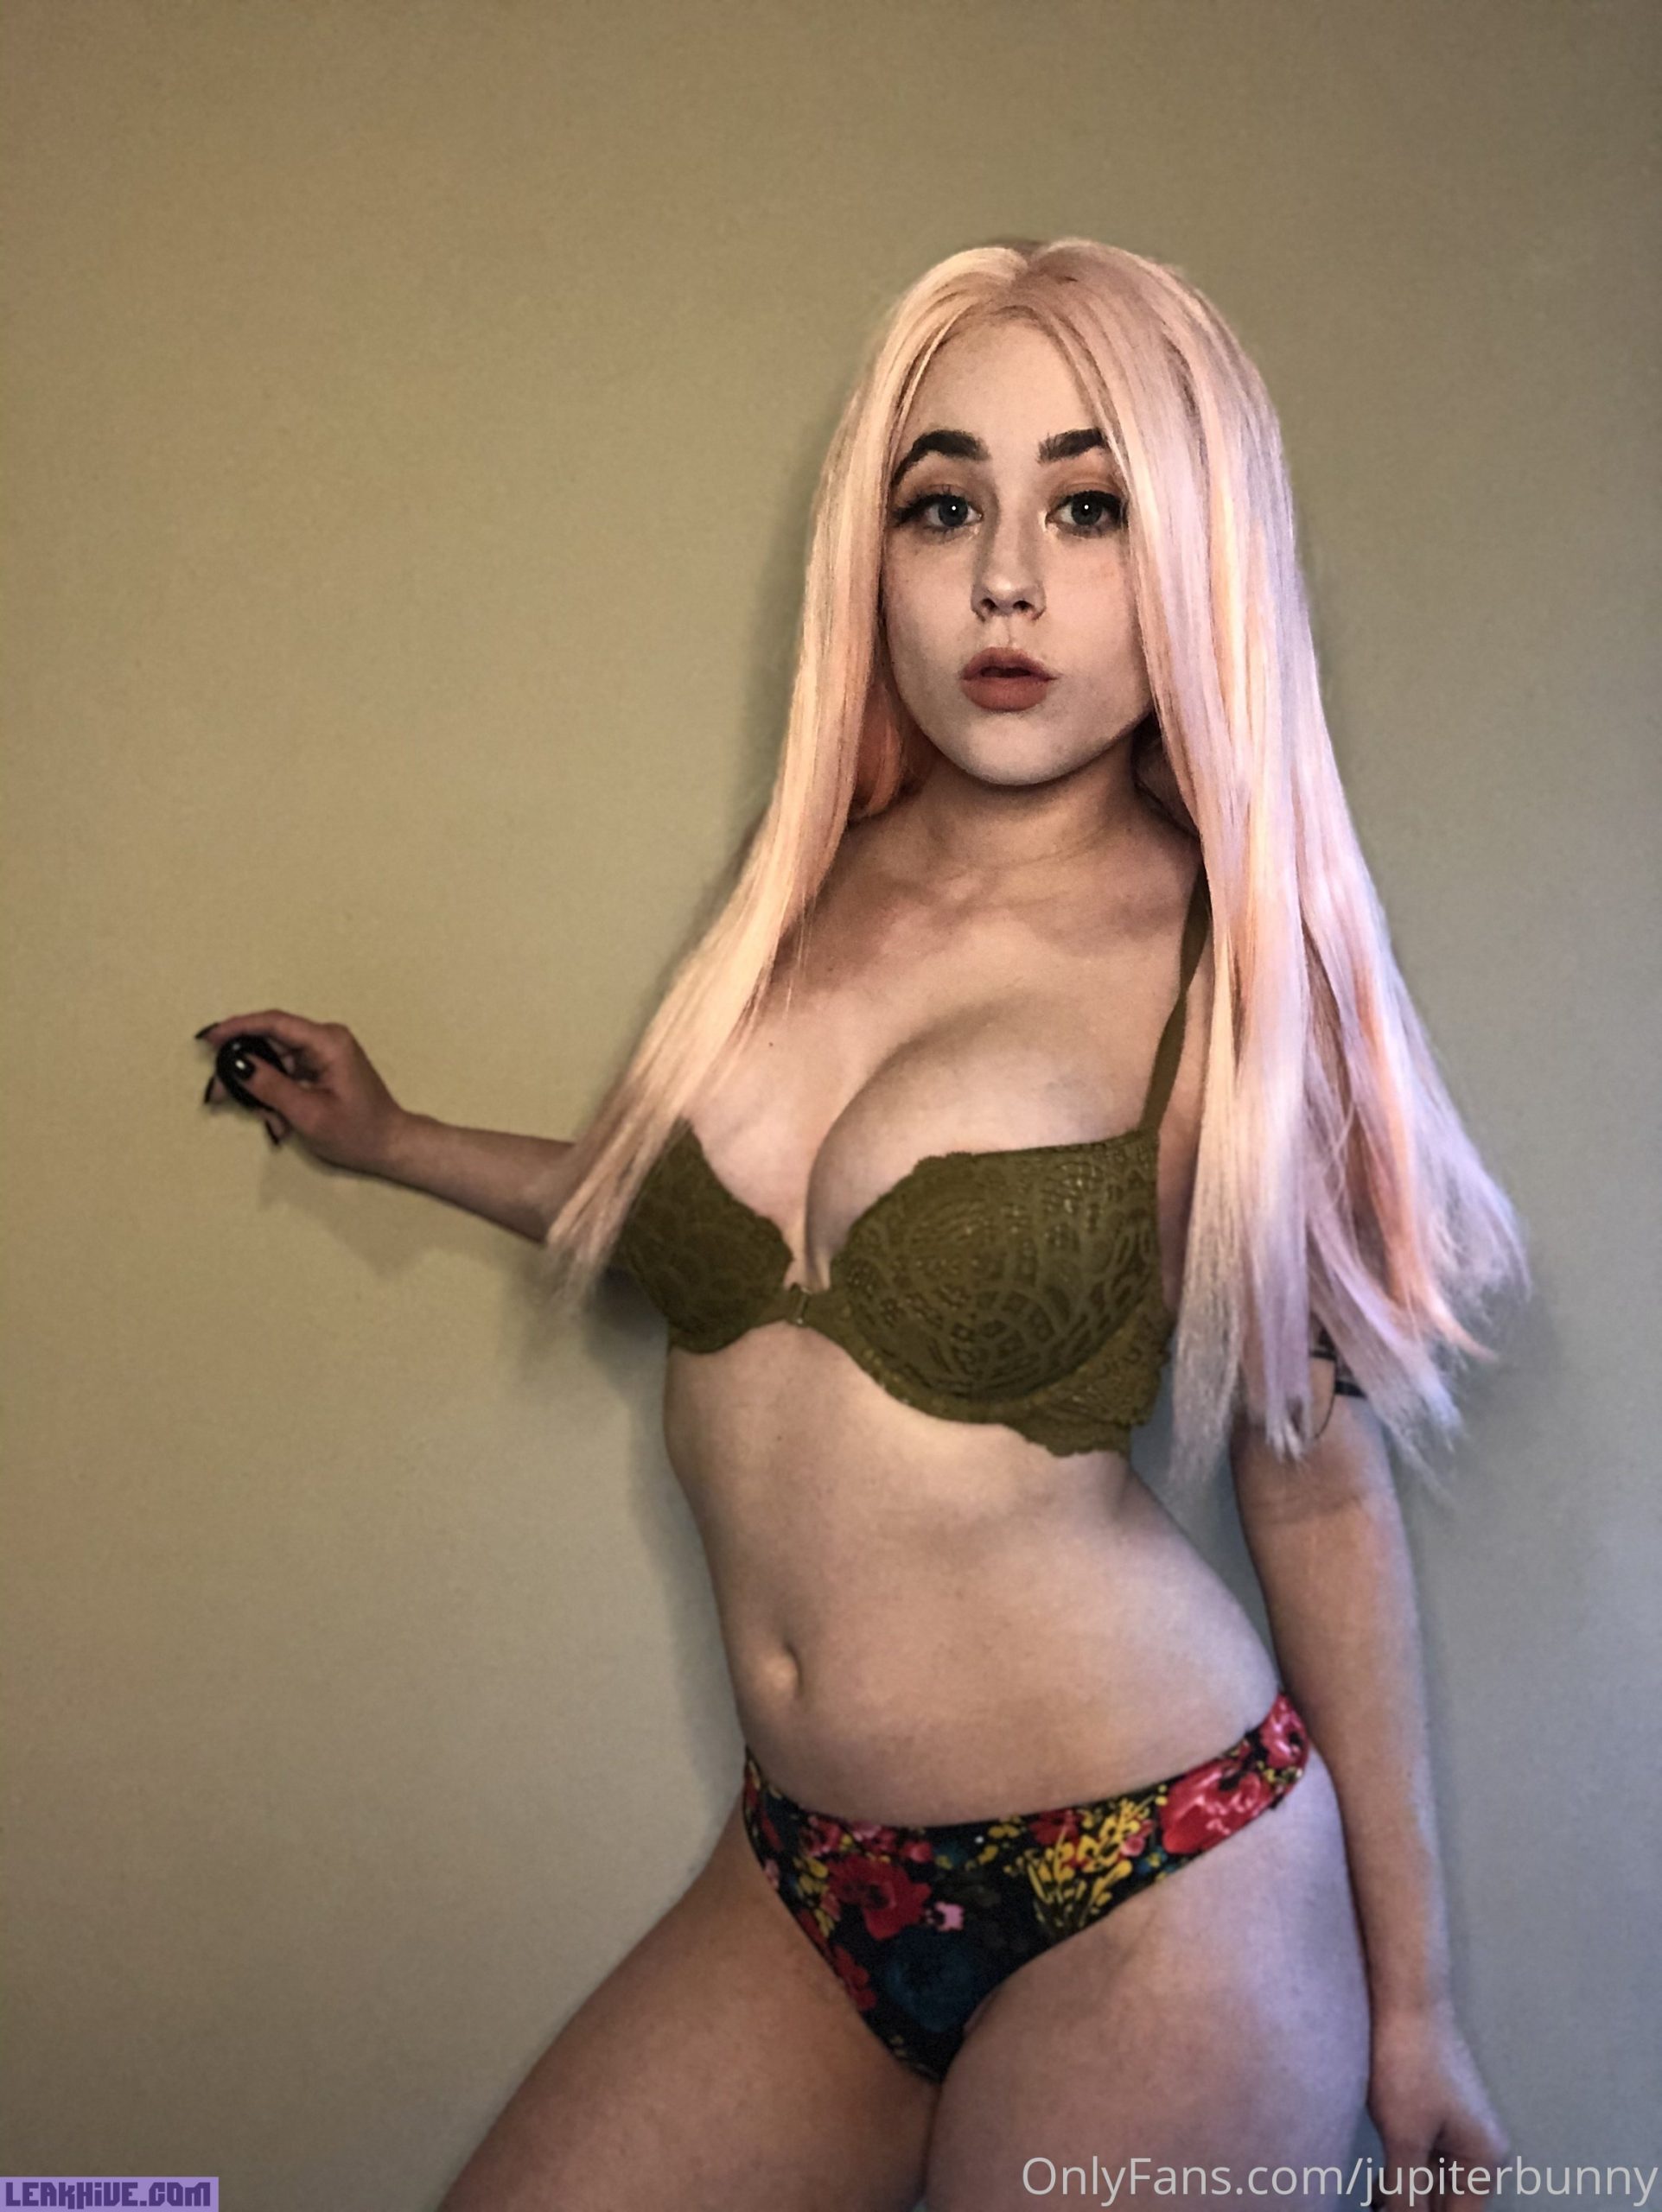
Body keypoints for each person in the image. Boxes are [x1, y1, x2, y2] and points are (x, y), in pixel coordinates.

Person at [196, 239, 1529, 2211]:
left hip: (1154, 1887)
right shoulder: (803, 888)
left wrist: (1414, 2012)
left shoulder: (1234, 975)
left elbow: (1317, 1487)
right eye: (945, 504)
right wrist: (397, 1140)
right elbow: (700, 1239)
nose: (1008, 580)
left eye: (1089, 507)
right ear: (877, 555)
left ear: (1197, 557)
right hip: (806, 1879)